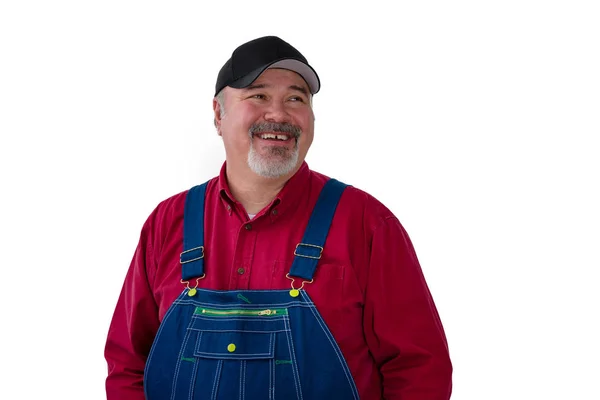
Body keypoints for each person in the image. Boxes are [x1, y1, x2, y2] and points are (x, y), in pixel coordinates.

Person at [104, 35, 453, 400]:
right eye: (258, 95)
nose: (279, 114)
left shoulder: (367, 225)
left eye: (295, 98)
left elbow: (420, 370)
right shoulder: (166, 223)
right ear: (218, 114)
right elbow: (127, 364)